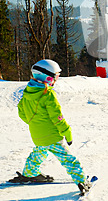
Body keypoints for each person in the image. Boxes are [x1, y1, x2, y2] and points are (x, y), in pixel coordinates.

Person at [10, 59, 92, 195]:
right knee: (68, 159)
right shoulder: (48, 94)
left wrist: (35, 123)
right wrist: (67, 131)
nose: (56, 80)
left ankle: (30, 173)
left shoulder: (27, 92)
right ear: (47, 77)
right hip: (52, 136)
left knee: (38, 153)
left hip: (37, 135)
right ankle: (82, 180)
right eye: (56, 76)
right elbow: (57, 117)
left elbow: (21, 112)